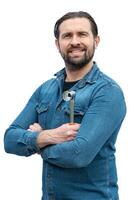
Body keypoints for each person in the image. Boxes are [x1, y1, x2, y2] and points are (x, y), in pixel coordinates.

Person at [4, 11, 126, 200]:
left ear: (96, 41)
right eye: (67, 35)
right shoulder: (45, 90)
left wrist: (37, 143)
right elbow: (10, 140)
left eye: (82, 34)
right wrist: (49, 136)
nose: (75, 41)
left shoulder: (107, 92)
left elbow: (79, 154)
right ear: (57, 44)